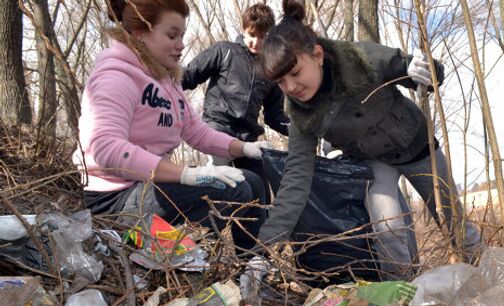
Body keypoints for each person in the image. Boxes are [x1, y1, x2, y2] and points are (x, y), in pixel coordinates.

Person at [255, 0, 483, 277]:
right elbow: (295, 179)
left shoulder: (359, 58)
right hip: (371, 163)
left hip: (417, 148)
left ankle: (488, 281)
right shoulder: (301, 114)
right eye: (280, 82)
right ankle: (404, 295)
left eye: (295, 73)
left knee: (453, 222)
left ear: (317, 55)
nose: (291, 87)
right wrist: (264, 248)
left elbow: (423, 71)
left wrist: (422, 71)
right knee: (388, 226)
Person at [73, 0, 268, 252]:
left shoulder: (167, 81)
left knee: (251, 180)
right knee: (235, 189)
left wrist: (246, 148)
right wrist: (187, 175)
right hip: (115, 200)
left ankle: (253, 264)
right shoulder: (116, 75)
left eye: (183, 35)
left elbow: (197, 132)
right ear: (140, 33)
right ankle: (191, 254)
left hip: (149, 186)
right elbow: (104, 148)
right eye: (172, 35)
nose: (181, 44)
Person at [182, 3, 290, 204]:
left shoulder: (270, 72)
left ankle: (254, 235)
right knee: (225, 184)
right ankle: (213, 231)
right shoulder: (224, 51)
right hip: (217, 128)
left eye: (263, 36)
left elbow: (274, 116)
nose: (256, 42)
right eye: (252, 35)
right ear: (244, 29)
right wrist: (162, 87)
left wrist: (298, 130)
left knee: (260, 193)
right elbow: (188, 76)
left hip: (248, 137)